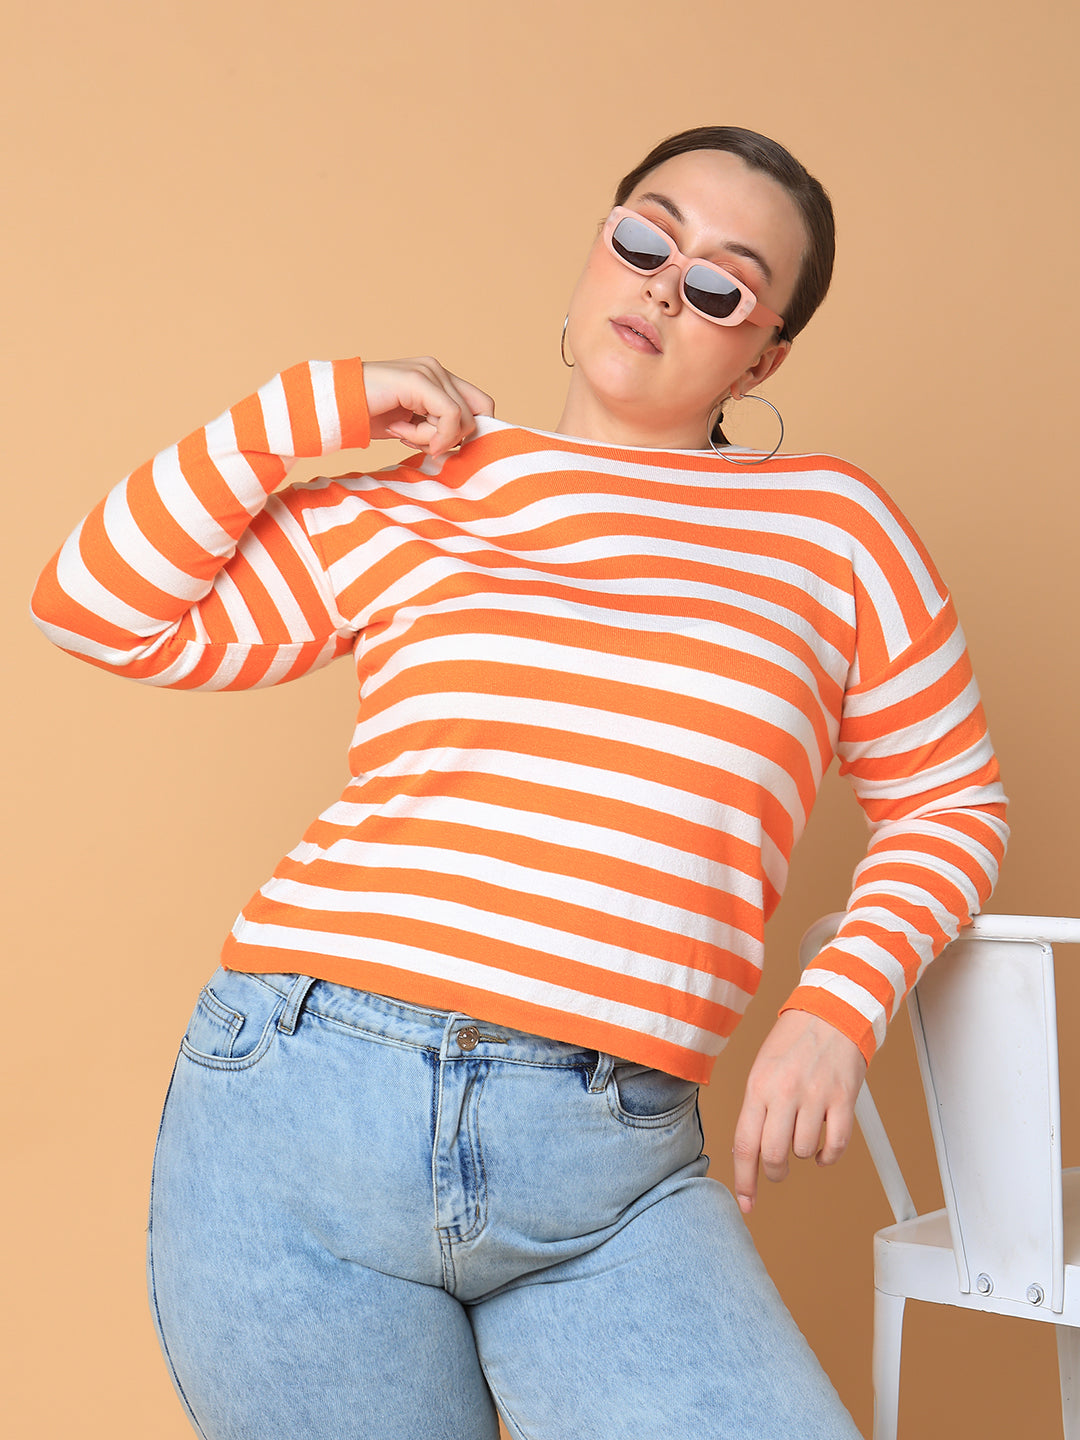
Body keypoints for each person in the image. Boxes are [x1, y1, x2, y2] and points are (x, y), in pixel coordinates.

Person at [30, 125, 1007, 1439]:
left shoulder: (835, 531)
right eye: (645, 238)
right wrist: (313, 408)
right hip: (303, 1105)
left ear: (764, 354)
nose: (664, 287)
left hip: (608, 1160)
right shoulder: (432, 493)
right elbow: (95, 605)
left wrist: (837, 1006)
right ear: (596, 247)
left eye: (720, 283)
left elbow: (950, 802)